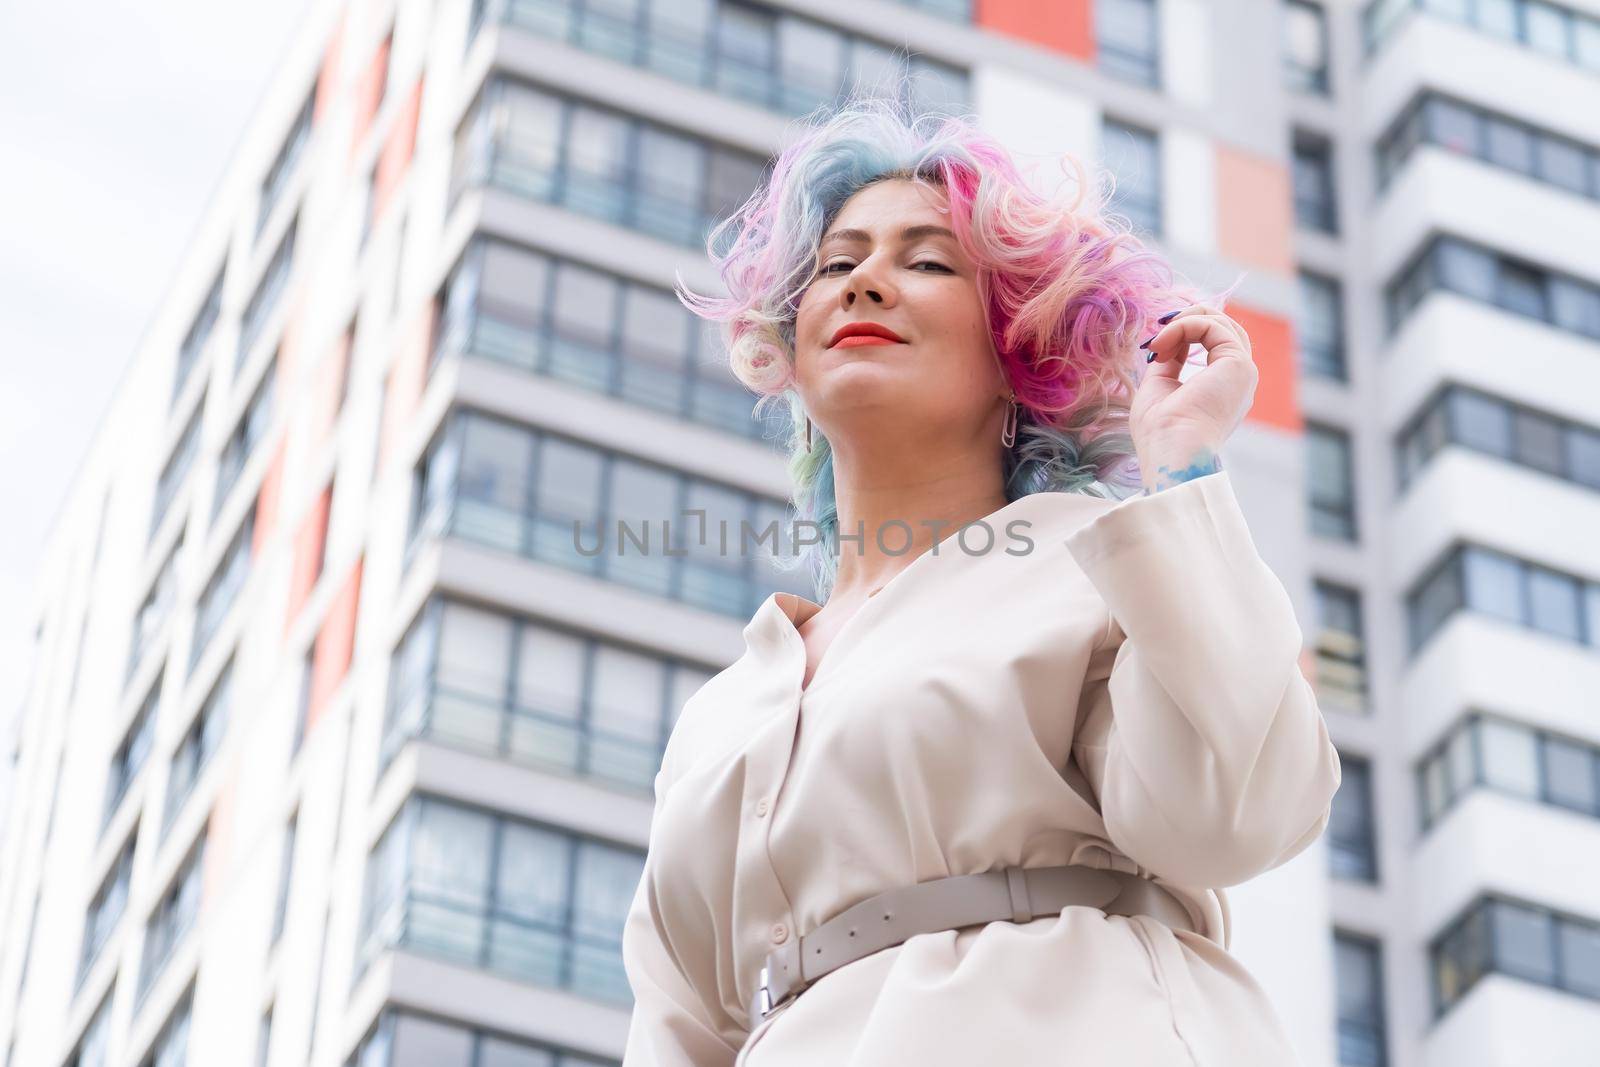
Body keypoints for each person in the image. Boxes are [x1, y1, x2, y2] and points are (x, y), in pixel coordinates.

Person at [618, 88, 1342, 1066]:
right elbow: (677, 1026)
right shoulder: (723, 708)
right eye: (838, 263)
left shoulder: (1102, 562)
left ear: (1018, 350)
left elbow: (1231, 813)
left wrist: (1180, 462)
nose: (866, 282)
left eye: (925, 260)